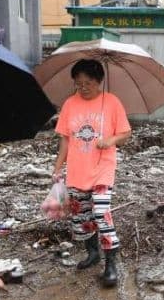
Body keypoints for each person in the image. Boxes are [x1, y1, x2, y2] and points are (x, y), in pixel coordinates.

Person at [52, 59, 131, 288]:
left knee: (101, 212)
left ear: (99, 82)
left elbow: (125, 133)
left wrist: (110, 140)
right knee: (82, 216)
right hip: (78, 169)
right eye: (79, 84)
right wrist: (58, 167)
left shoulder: (112, 102)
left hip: (103, 168)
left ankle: (110, 264)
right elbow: (65, 140)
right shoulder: (70, 104)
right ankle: (93, 253)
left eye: (88, 83)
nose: (83, 87)